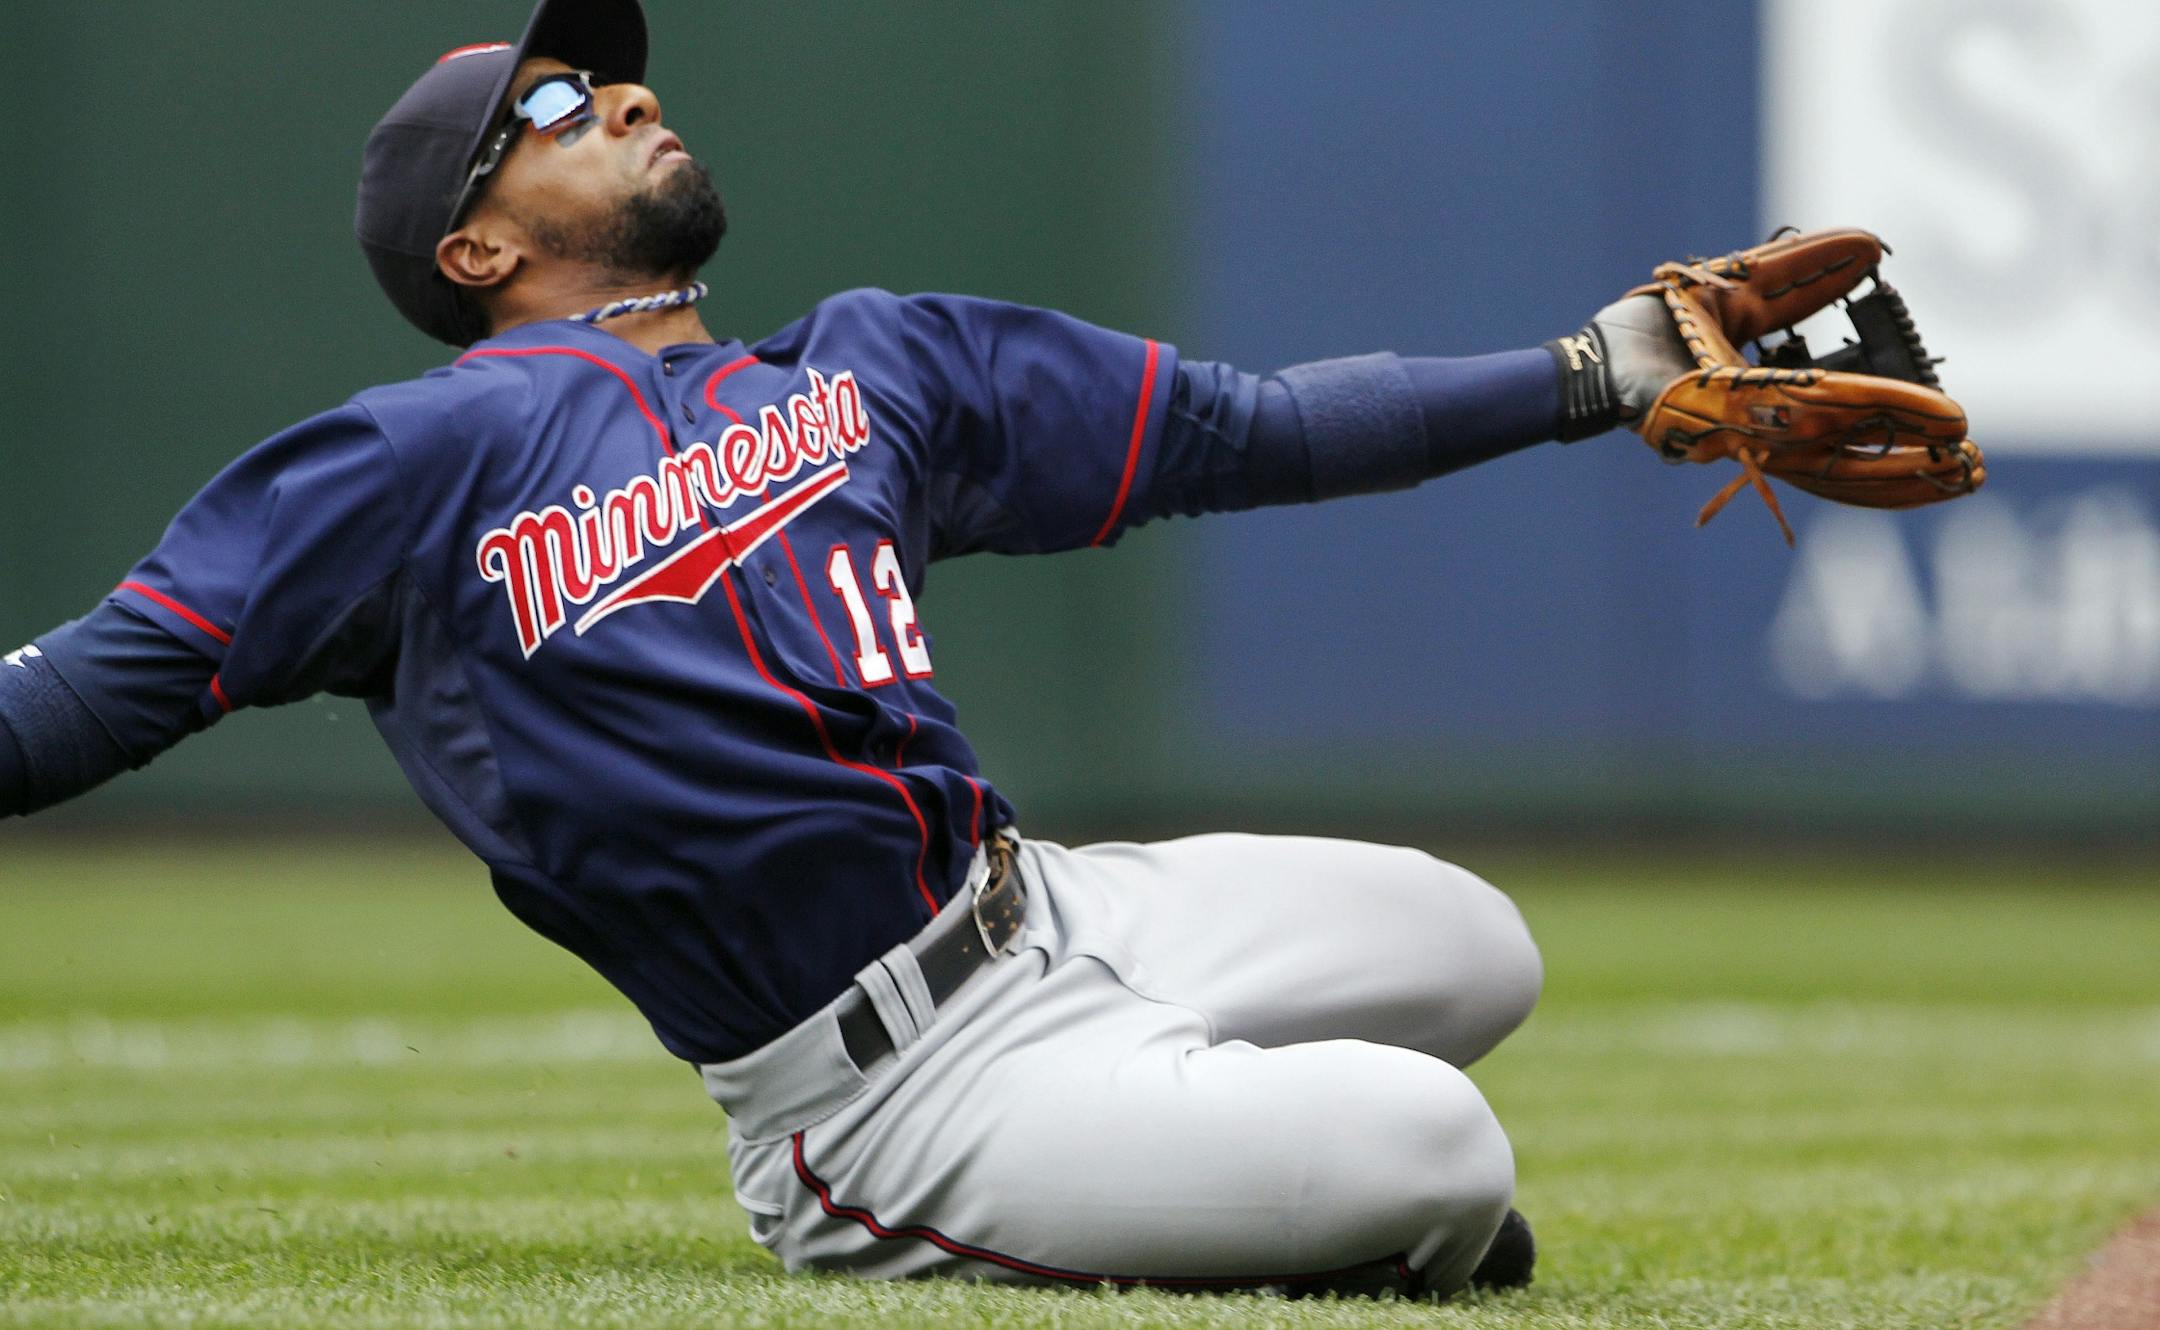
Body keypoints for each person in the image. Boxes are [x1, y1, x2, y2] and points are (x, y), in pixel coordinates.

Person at [0, 0, 1692, 1297]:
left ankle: (1210, 1138)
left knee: (1480, 944)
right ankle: (1261, 1177)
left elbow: (1251, 431)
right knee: (1442, 1149)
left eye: (615, 81)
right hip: (889, 1090)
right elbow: (84, 693)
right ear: (478, 251)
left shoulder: (871, 366)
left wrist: (1591, 371)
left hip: (1055, 909)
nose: (628, 98)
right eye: (552, 109)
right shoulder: (402, 466)